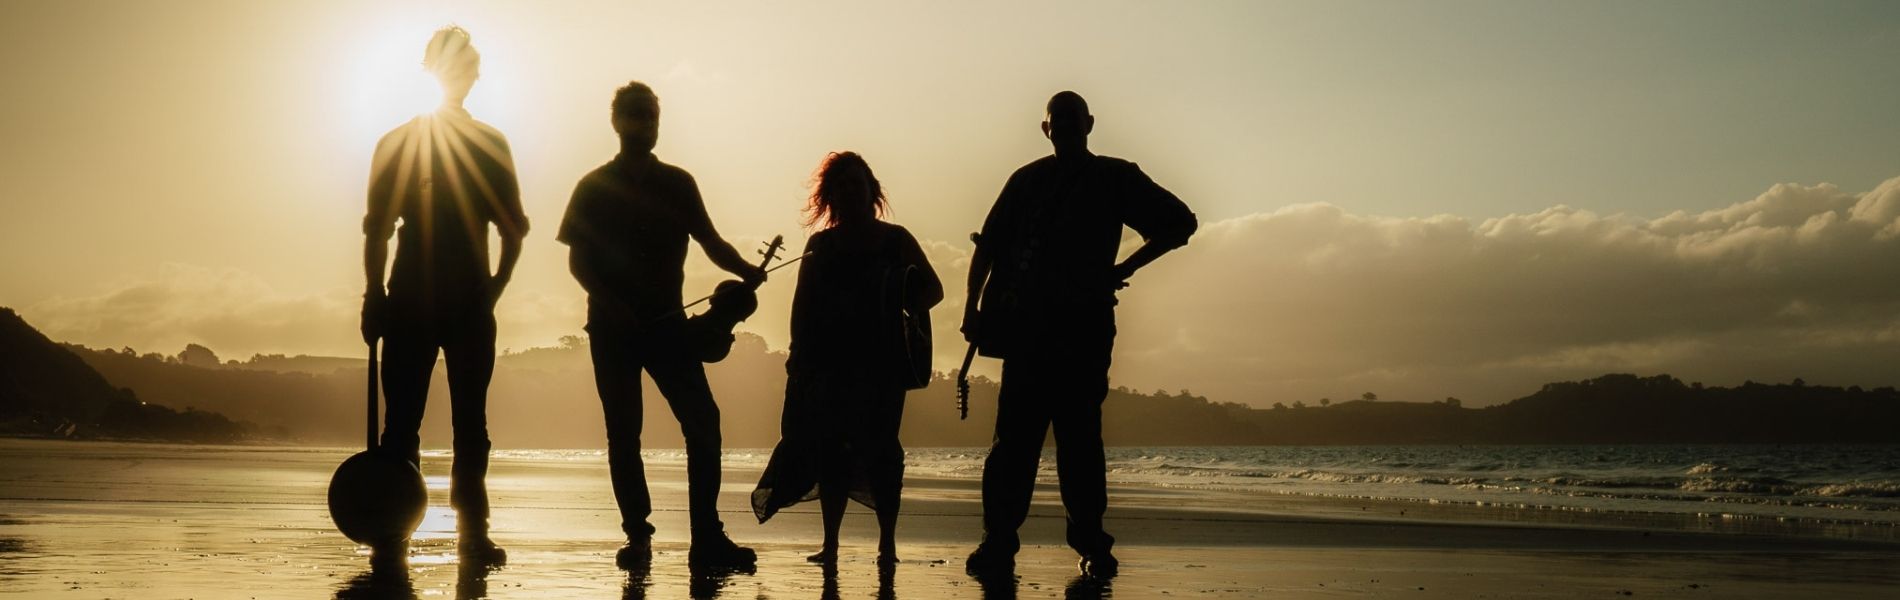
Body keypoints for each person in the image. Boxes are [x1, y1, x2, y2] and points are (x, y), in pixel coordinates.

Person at [962, 91, 1197, 577]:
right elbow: (988, 248)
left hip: (1083, 331)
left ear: (1089, 123)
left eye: (1073, 119)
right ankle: (1000, 542)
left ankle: (1091, 544)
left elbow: (1180, 223)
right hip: (1027, 333)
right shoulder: (1025, 182)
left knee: (1079, 441)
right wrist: (971, 308)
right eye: (1058, 121)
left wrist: (1122, 268)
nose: (1066, 127)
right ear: (1046, 129)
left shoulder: (1115, 177)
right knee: (1014, 444)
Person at [558, 80, 763, 570]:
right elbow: (578, 265)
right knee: (624, 433)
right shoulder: (592, 185)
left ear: (657, 122)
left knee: (703, 426)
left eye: (649, 115)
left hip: (669, 327)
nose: (643, 123)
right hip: (612, 332)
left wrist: (744, 271)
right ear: (616, 121)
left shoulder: (678, 182)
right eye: (634, 114)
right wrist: (612, 306)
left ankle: (705, 538)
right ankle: (638, 536)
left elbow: (710, 240)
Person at [360, 26, 524, 566]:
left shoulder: (416, 141)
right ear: (436, 73)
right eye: (454, 68)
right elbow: (377, 230)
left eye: (466, 68)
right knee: (415, 424)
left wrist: (494, 290)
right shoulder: (407, 141)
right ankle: (402, 530)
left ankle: (460, 533)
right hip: (423, 298)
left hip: (447, 299)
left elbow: (514, 228)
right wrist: (374, 296)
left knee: (453, 424)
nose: (461, 77)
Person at [751, 152, 943, 565]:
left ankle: (887, 544)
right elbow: (802, 307)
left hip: (882, 365)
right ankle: (831, 544)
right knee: (831, 451)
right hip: (829, 363)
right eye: (843, 185)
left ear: (872, 190)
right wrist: (798, 359)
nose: (851, 191)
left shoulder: (896, 240)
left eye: (858, 184)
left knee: (882, 452)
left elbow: (933, 291)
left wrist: (897, 297)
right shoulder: (820, 244)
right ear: (831, 195)